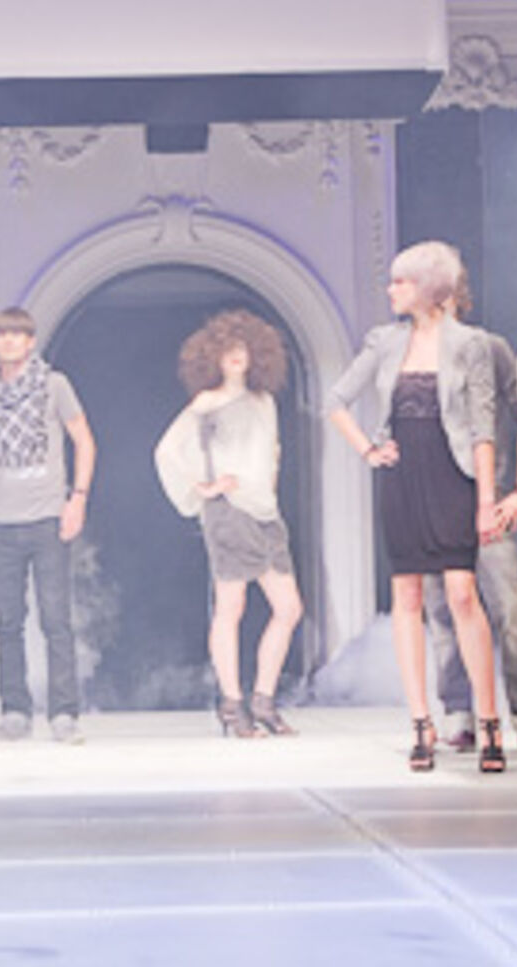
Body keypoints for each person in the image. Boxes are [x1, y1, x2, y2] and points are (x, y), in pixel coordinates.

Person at [328, 241, 504, 773]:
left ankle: (489, 723)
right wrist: (369, 450)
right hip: (402, 478)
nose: (391, 290)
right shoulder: (384, 342)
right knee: (406, 595)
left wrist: (487, 500)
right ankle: (421, 724)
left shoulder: (471, 344)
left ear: (428, 287)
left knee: (462, 593)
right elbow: (336, 401)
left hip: (453, 476)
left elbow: (483, 426)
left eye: (401, 281)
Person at [155, 310, 303, 738]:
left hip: (265, 511)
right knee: (231, 607)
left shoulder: (264, 401)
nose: (237, 355)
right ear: (213, 356)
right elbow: (167, 450)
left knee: (288, 608)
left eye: (243, 348)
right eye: (227, 349)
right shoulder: (207, 403)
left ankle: (263, 701)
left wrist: (267, 489)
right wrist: (202, 487)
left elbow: (273, 453)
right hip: (229, 510)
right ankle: (233, 704)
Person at [423, 276, 517, 755]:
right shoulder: (412, 353)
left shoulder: (490, 349)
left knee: (509, 611)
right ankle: (459, 713)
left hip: (489, 498)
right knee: (443, 613)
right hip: (433, 503)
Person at [0, 307, 96, 743]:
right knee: (7, 622)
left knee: (55, 618)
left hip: (47, 517)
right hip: (2, 520)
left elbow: (84, 441)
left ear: (30, 341)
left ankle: (63, 714)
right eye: (1, 334)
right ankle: (14, 712)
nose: (8, 341)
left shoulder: (53, 385)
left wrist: (77, 498)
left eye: (16, 334)